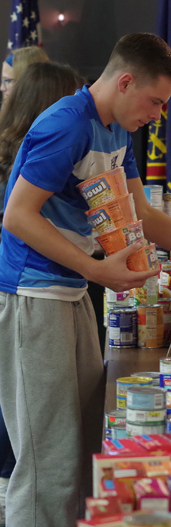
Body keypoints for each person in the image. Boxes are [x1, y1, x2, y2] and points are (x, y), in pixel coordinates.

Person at [0, 32, 171, 527]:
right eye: (156, 102)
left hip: (71, 292)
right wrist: (94, 269)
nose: (159, 115)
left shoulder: (116, 129)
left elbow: (143, 215)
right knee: (47, 462)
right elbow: (17, 216)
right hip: (31, 297)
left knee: (79, 445)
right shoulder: (64, 125)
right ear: (125, 82)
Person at [0, 61, 86, 527]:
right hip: (27, 293)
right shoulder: (54, 139)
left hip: (53, 291)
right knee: (40, 454)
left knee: (49, 444)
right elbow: (18, 222)